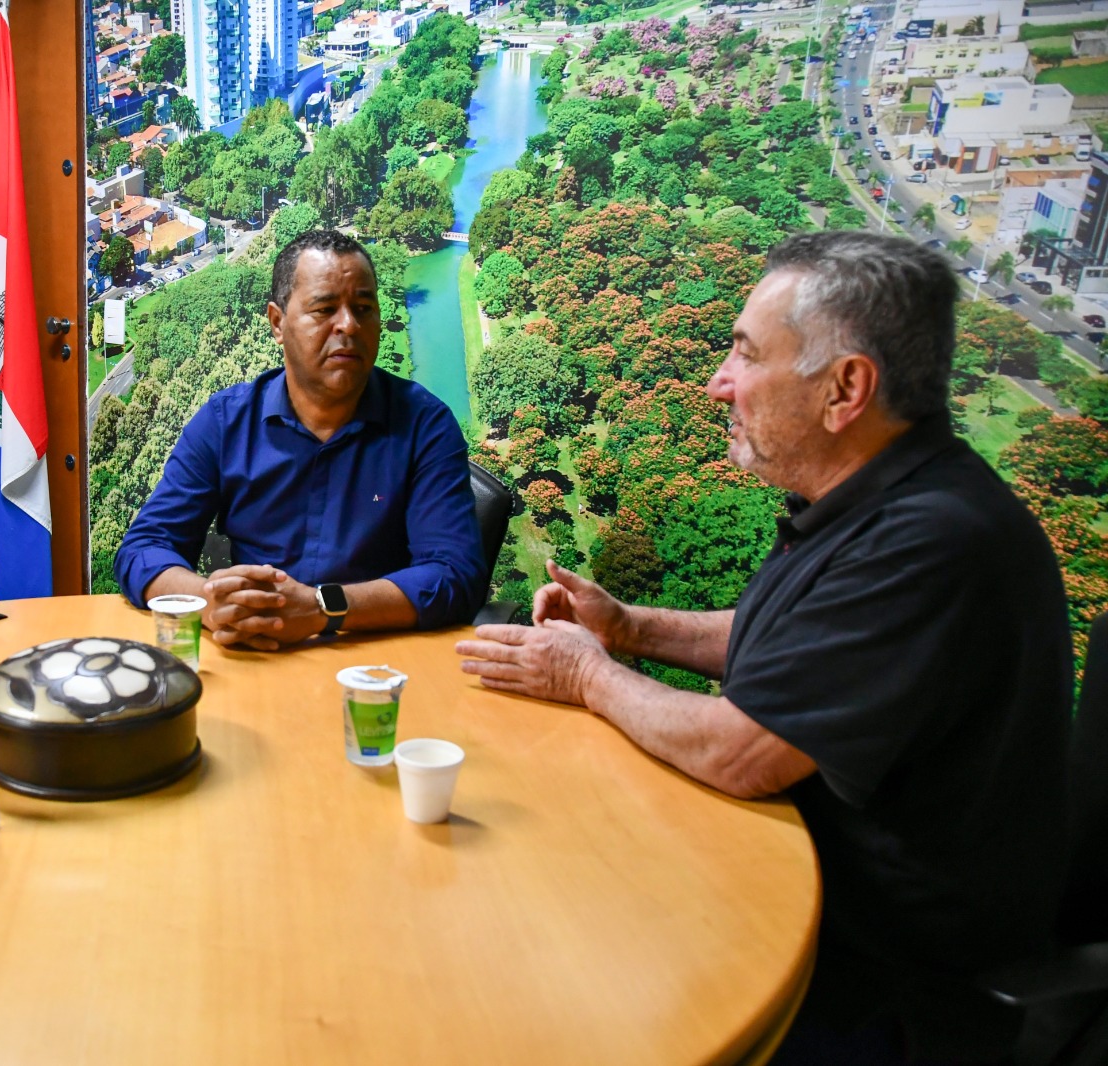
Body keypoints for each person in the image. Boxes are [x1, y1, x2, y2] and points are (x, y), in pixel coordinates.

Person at [456, 231, 1073, 1063]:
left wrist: (583, 673)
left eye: (746, 355)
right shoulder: (879, 501)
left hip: (870, 983)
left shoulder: (933, 542)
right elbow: (792, 645)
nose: (720, 384)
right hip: (792, 896)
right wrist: (630, 626)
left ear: (845, 388)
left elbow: (747, 753)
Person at [114, 229, 487, 650]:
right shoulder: (226, 422)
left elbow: (453, 575)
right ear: (278, 323)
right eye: (325, 308)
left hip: (377, 665)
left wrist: (321, 608)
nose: (348, 324)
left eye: (364, 308)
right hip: (255, 659)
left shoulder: (424, 425)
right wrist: (209, 601)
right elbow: (144, 548)